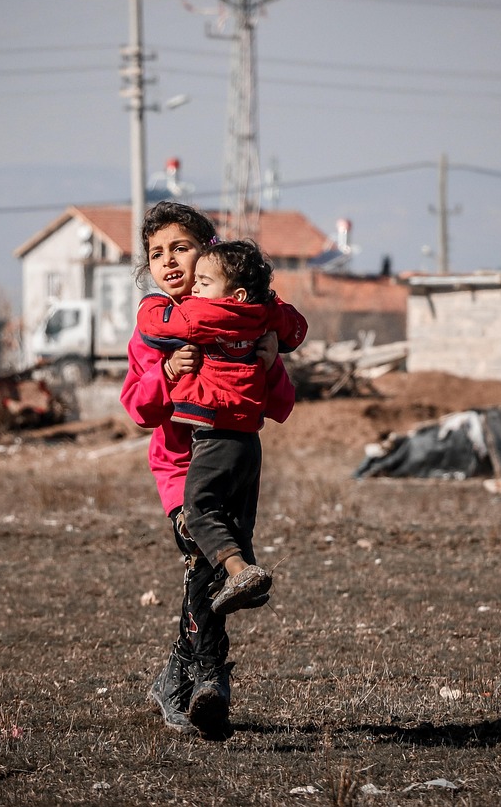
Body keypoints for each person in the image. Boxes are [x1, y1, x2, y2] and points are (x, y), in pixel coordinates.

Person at [119, 201, 301, 740]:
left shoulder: (244, 321)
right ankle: (208, 681)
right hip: (180, 468)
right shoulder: (155, 331)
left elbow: (279, 404)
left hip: (233, 459)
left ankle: (175, 679)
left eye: (181, 248)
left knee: (213, 572)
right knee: (205, 559)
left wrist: (268, 361)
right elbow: (137, 409)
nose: (170, 262)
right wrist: (169, 373)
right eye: (156, 254)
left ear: (210, 252)